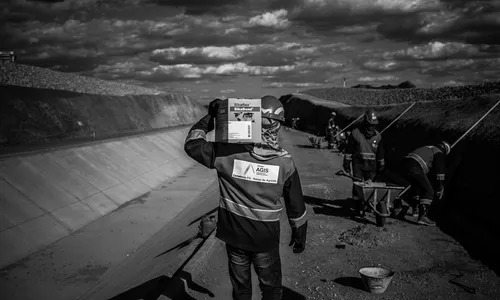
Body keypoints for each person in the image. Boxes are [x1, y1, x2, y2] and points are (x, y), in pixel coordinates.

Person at [184, 96, 308, 300]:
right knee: (271, 289)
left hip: (234, 236)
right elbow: (296, 205)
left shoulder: (226, 153)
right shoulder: (285, 163)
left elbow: (192, 144)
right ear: (277, 126)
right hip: (265, 239)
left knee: (241, 290)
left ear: (253, 120)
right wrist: (299, 234)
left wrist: (210, 117)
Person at [398, 141, 450, 226]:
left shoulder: (428, 148)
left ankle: (415, 209)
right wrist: (440, 186)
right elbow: (440, 172)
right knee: (428, 190)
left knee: (417, 186)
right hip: (415, 167)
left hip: (404, 164)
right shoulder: (439, 153)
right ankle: (423, 217)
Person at [343, 109, 385, 213]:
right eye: (370, 125)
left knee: (370, 186)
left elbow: (380, 153)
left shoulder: (378, 136)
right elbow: (349, 150)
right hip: (358, 164)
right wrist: (347, 164)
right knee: (358, 186)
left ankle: (369, 205)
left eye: (373, 125)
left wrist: (381, 165)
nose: (372, 127)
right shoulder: (355, 133)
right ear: (365, 123)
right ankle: (357, 206)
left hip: (371, 166)